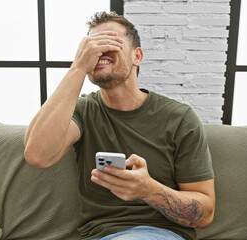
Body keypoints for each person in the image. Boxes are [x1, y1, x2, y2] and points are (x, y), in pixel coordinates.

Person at [24, 11, 215, 240]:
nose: (99, 50)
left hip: (162, 234)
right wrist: (78, 68)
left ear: (137, 56)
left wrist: (149, 190)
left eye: (111, 42)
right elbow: (37, 155)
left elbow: (205, 215)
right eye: (92, 45)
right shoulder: (83, 112)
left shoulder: (180, 118)